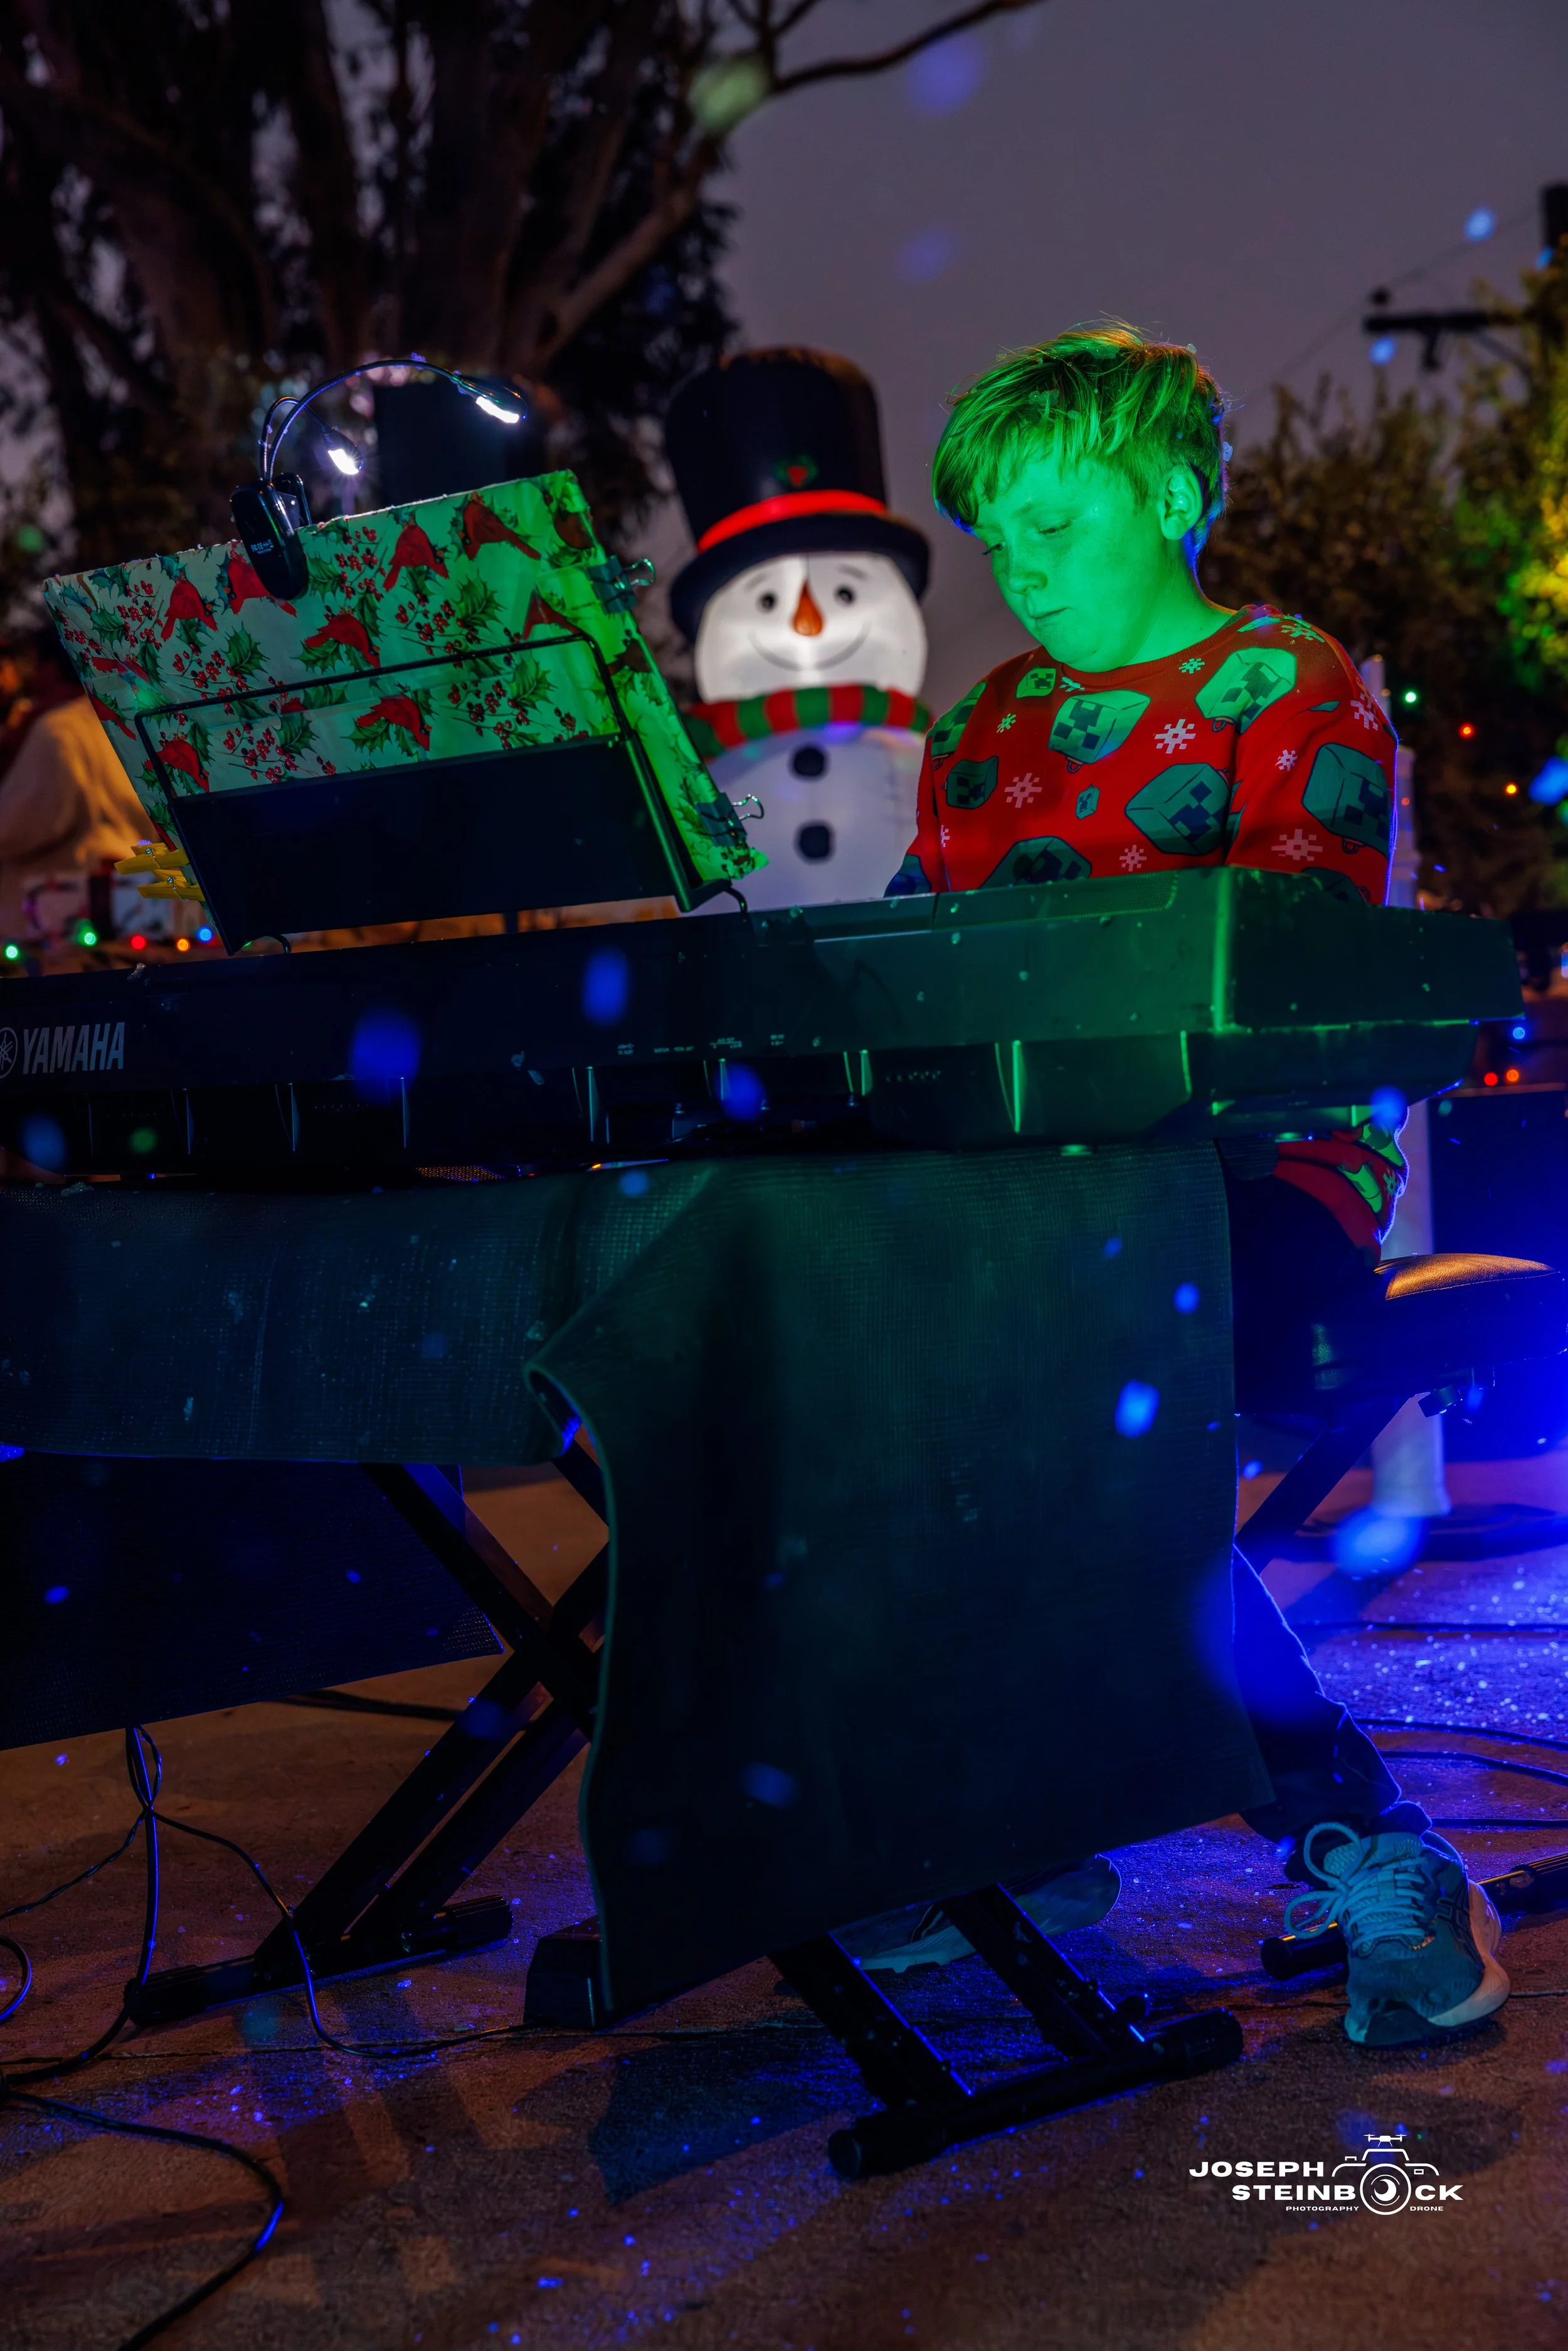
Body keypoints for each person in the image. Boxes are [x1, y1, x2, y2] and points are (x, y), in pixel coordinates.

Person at [846, 324, 1506, 2051]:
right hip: (1036, 1203)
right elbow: (925, 983)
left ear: (1166, 491)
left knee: (1055, 1419)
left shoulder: (1288, 687)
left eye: (1056, 517)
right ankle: (1035, 1821)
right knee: (830, 1351)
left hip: (1257, 1185)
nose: (1024, 564)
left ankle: (1361, 1836)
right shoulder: (984, 728)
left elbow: (1280, 992)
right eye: (998, 534)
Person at [0, 622, 150, 941]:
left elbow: (16, 827)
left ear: (53, 667)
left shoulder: (59, 731)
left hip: (62, 927)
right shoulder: (131, 727)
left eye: (35, 665)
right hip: (143, 911)